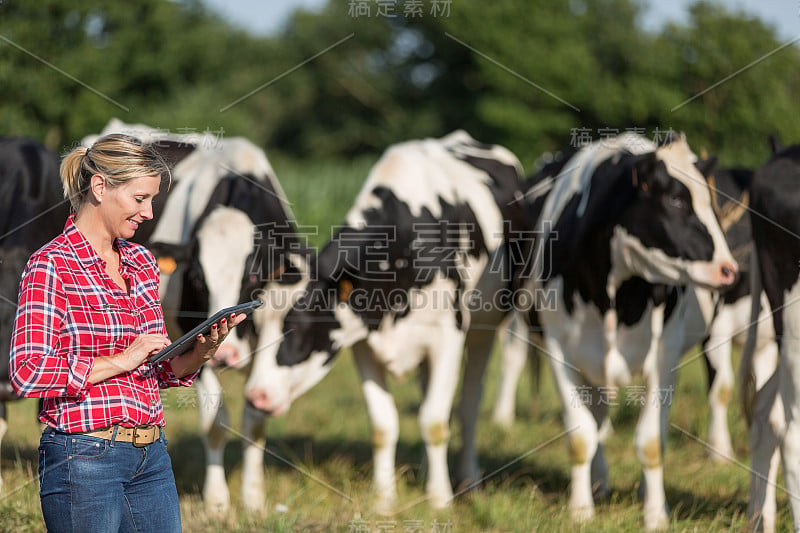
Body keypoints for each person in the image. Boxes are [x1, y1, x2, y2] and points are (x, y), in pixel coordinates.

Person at [8, 133, 246, 532]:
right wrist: (120, 360)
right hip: (82, 457)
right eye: (140, 199)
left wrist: (202, 350)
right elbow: (27, 371)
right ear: (100, 187)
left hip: (151, 455)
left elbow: (157, 370)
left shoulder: (142, 263)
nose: (149, 213)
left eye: (152, 199)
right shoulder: (52, 266)